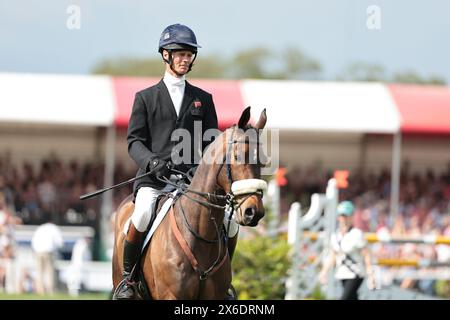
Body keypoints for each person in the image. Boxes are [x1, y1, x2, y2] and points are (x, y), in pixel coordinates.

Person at [114, 23, 240, 300]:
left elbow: (211, 143)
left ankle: (224, 281)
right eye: (179, 53)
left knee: (230, 220)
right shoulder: (145, 98)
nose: (185, 59)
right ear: (165, 55)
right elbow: (134, 141)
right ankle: (128, 280)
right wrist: (152, 162)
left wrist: (199, 169)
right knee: (143, 212)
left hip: (192, 182)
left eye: (189, 54)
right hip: (155, 179)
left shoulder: (203, 99)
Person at [319, 201, 376, 300]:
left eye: (346, 216)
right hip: (342, 273)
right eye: (342, 216)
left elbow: (366, 254)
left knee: (345, 297)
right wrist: (324, 271)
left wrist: (370, 273)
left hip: (356, 273)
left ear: (351, 217)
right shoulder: (335, 236)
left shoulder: (357, 234)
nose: (344, 219)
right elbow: (333, 256)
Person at [31, 214, 63, 295]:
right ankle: (50, 291)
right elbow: (60, 243)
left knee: (39, 272)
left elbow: (33, 241)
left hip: (38, 252)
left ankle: (40, 290)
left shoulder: (40, 228)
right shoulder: (53, 228)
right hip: (48, 252)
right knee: (50, 272)